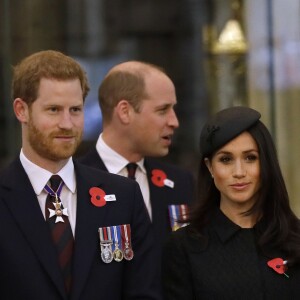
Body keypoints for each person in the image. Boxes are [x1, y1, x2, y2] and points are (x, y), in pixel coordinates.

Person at [0, 50, 161, 300]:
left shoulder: (124, 196)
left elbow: (144, 292)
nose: (67, 123)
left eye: (75, 110)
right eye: (53, 110)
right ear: (22, 110)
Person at [162, 106, 300, 299]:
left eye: (250, 158)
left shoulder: (294, 237)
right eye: (226, 159)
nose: (239, 172)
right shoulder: (184, 247)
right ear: (210, 167)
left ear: (266, 163)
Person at [78, 61, 195, 257]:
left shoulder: (181, 183)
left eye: (173, 109)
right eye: (163, 110)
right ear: (125, 112)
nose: (174, 121)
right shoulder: (73, 184)